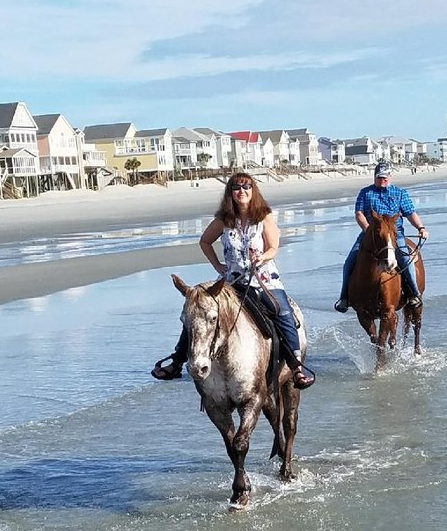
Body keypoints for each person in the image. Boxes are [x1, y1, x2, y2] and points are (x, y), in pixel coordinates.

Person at [151, 172, 315, 390]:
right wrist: (217, 265)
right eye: (236, 188)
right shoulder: (224, 220)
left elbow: (274, 247)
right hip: (231, 282)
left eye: (246, 187)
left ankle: (296, 367)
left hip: (263, 279)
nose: (241, 191)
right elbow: (205, 241)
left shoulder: (264, 216)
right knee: (198, 311)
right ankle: (178, 361)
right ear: (230, 193)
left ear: (253, 190)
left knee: (282, 311)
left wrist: (262, 257)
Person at [334, 161, 429, 313]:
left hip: (394, 234)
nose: (382, 180)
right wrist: (368, 230)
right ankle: (344, 298)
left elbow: (410, 213)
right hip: (370, 234)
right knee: (349, 262)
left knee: (406, 260)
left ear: (390, 177)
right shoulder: (365, 193)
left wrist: (421, 228)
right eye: (379, 177)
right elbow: (359, 214)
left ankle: (414, 294)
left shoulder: (400, 193)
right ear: (374, 177)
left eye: (385, 177)